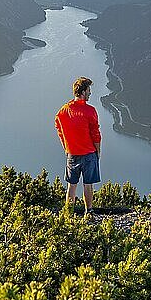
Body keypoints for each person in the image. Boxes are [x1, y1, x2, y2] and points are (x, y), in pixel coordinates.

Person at [55, 77, 101, 214]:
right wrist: (98, 151)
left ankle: (68, 213)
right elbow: (96, 134)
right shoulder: (90, 111)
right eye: (88, 90)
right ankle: (89, 211)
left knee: (71, 185)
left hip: (72, 154)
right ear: (82, 92)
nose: (90, 93)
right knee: (88, 184)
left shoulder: (63, 110)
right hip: (89, 154)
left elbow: (59, 128)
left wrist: (66, 147)